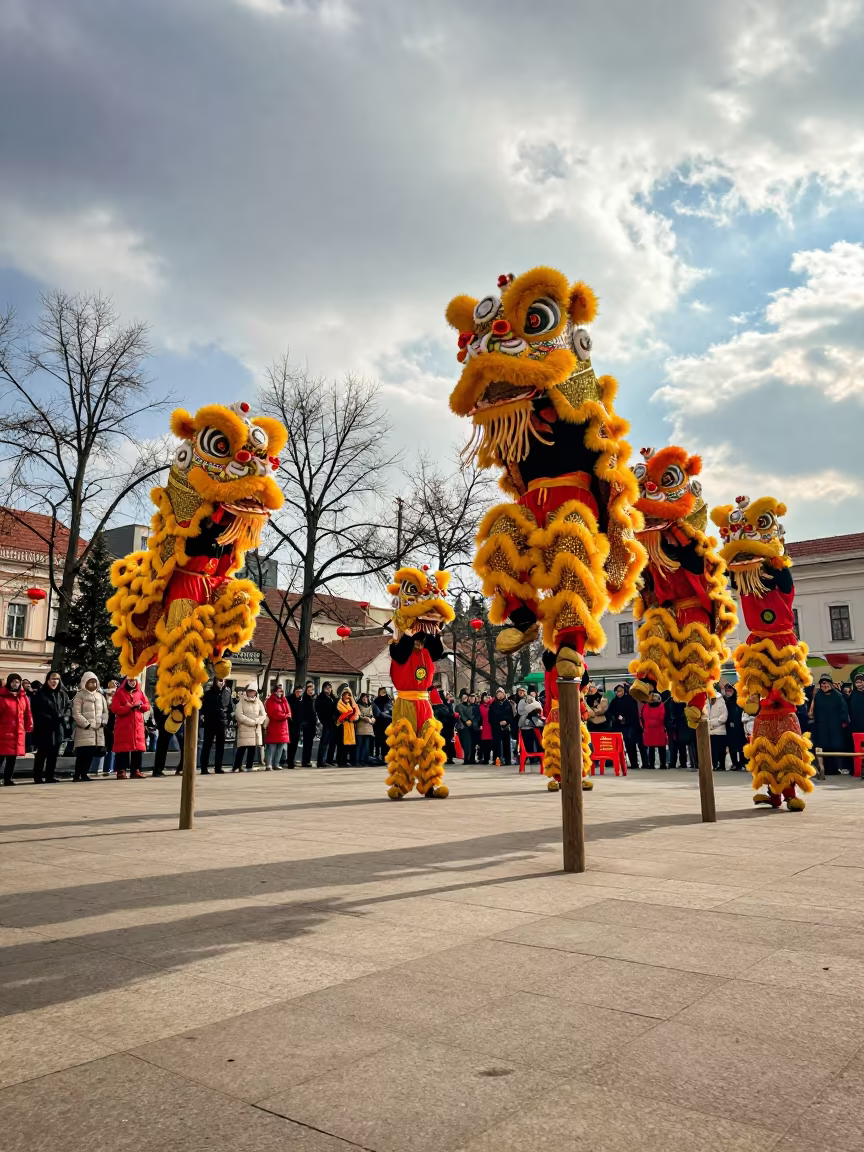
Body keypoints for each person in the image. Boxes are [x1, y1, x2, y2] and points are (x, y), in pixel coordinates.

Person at [30, 673, 69, 784]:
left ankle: (49, 776)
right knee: (42, 752)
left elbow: (68, 707)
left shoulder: (62, 694)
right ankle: (37, 776)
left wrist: (65, 717)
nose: (54, 681)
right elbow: (36, 711)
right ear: (47, 680)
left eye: (57, 679)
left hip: (57, 728)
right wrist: (51, 718)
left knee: (53, 753)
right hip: (44, 728)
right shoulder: (40, 694)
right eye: (52, 679)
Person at [110, 676, 150, 779]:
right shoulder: (119, 693)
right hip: (124, 725)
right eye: (130, 680)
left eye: (134, 681)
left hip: (137, 725)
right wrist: (129, 707)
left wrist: (140, 707)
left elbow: (147, 706)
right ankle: (121, 770)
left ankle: (135, 770)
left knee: (138, 749)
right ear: (126, 681)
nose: (132, 683)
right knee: (122, 749)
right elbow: (115, 708)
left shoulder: (140, 693)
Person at [810, 674, 849, 775]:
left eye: (826, 683)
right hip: (822, 726)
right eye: (823, 684)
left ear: (831, 684)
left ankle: (836, 769)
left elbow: (844, 710)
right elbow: (814, 711)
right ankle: (824, 769)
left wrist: (843, 722)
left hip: (835, 726)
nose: (825, 685)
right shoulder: (818, 696)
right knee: (823, 746)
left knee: (835, 746)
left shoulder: (838, 696)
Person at [71, 672, 106, 781]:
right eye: (90, 682)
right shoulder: (79, 695)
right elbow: (76, 713)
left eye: (94, 682)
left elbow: (105, 711)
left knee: (91, 752)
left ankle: (84, 773)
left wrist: (103, 722)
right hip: (84, 730)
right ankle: (78, 774)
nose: (92, 685)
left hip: (97, 730)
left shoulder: (100, 696)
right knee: (82, 753)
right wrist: (86, 724)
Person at [0, 673, 33, 785]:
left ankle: (8, 779)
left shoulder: (23, 697)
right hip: (3, 732)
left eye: (18, 682)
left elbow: (27, 713)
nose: (15, 684)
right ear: (9, 682)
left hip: (17, 732)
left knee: (12, 758)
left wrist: (29, 725)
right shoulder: (2, 697)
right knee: (1, 757)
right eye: (13, 681)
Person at [607, 683, 643, 772]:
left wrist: (625, 719)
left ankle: (634, 763)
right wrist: (616, 718)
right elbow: (610, 712)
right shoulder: (614, 701)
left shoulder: (630, 700)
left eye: (619, 691)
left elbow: (634, 713)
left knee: (630, 745)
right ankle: (620, 762)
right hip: (618, 726)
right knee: (618, 746)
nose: (618, 693)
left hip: (629, 726)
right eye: (617, 692)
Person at [200, 677, 232, 773]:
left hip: (221, 721)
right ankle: (204, 767)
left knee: (220, 745)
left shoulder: (227, 692)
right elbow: (206, 707)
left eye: (223, 681)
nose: (221, 683)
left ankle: (218, 767)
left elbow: (229, 706)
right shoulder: (210, 693)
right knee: (207, 745)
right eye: (219, 681)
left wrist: (229, 717)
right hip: (210, 721)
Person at [233, 683, 267, 771]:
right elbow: (239, 715)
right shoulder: (241, 701)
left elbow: (263, 714)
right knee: (242, 748)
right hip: (245, 728)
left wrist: (258, 721)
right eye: (249, 691)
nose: (251, 693)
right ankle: (237, 766)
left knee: (252, 748)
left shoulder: (259, 702)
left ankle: (249, 766)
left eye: (253, 691)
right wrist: (251, 722)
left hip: (255, 728)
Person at [264, 684, 291, 770]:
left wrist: (286, 715)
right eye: (279, 691)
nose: (281, 693)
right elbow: (274, 714)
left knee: (280, 747)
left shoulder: (284, 700)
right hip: (273, 726)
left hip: (283, 728)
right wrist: (285, 716)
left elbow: (288, 711)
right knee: (271, 747)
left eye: (281, 691)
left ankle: (276, 763)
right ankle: (269, 764)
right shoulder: (270, 701)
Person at [152, 704, 183, 777]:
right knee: (163, 744)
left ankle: (181, 767)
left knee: (184, 743)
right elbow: (158, 707)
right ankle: (158, 769)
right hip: (166, 715)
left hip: (179, 715)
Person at [641, 690, 668, 768]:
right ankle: (652, 764)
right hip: (652, 729)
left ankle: (663, 764)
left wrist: (652, 721)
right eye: (654, 697)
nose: (655, 698)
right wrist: (654, 721)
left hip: (658, 728)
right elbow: (644, 716)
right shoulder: (646, 706)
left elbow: (662, 716)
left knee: (661, 748)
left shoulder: (662, 705)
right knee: (651, 748)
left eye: (657, 697)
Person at [723, 683, 746, 770]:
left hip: (740, 727)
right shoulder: (729, 702)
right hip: (730, 727)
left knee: (741, 745)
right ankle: (735, 763)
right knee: (732, 746)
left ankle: (742, 762)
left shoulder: (741, 702)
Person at [315, 682, 338, 767]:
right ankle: (321, 761)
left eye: (329, 687)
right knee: (324, 742)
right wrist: (324, 720)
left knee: (332, 742)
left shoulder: (333, 697)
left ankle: (330, 760)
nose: (328, 689)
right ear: (323, 688)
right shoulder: (320, 698)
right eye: (326, 687)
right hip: (325, 722)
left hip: (333, 723)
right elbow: (319, 710)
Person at [487, 688, 512, 765]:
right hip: (496, 726)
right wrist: (498, 722)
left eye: (501, 694)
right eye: (498, 694)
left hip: (506, 726)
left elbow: (511, 715)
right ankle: (497, 759)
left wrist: (507, 721)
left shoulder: (508, 704)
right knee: (496, 743)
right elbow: (490, 717)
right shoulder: (493, 705)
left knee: (506, 743)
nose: (500, 696)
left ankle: (507, 759)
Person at [296, 682, 318, 767]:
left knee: (310, 743)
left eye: (312, 688)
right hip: (306, 723)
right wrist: (304, 721)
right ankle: (305, 761)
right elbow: (302, 710)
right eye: (309, 688)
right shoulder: (304, 698)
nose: (311, 690)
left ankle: (307, 760)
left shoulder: (314, 698)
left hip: (313, 723)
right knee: (307, 742)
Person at [336, 687, 360, 766]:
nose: (347, 697)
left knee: (352, 745)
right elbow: (339, 716)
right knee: (342, 745)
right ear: (342, 696)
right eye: (345, 695)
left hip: (351, 726)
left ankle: (352, 761)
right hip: (342, 726)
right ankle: (342, 762)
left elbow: (357, 713)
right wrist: (347, 716)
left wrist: (354, 717)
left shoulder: (352, 704)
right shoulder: (339, 704)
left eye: (349, 695)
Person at [517, 689, 544, 756]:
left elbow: (538, 707)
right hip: (525, 725)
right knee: (528, 742)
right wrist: (531, 708)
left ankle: (539, 757)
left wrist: (529, 708)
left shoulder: (535, 700)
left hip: (536, 724)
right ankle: (530, 758)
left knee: (539, 742)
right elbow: (520, 711)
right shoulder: (521, 701)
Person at [707, 690, 729, 772]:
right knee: (712, 750)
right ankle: (714, 765)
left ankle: (721, 765)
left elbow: (724, 715)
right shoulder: (706, 700)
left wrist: (714, 723)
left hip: (719, 729)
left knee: (720, 749)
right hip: (709, 730)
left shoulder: (719, 699)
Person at [432, 691, 456, 763]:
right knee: (444, 744)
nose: (449, 695)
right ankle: (445, 757)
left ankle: (449, 757)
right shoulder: (439, 706)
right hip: (444, 728)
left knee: (448, 743)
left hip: (448, 728)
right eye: (447, 694)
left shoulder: (447, 705)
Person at [102, 679, 118, 775]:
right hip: (106, 724)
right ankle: (106, 767)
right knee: (107, 746)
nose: (111, 687)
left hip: (114, 724)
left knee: (113, 747)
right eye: (110, 685)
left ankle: (111, 767)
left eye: (113, 685)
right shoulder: (104, 696)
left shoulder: (117, 696)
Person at [455, 692, 477, 763]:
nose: (465, 698)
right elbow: (461, 714)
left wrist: (470, 720)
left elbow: (473, 714)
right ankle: (466, 758)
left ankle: (468, 758)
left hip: (470, 726)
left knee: (469, 743)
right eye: (463, 697)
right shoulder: (459, 706)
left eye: (466, 697)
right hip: (462, 726)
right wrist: (466, 720)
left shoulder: (470, 706)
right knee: (464, 742)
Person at [372, 687, 392, 762]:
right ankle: (382, 756)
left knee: (385, 741)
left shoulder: (388, 701)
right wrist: (391, 717)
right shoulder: (377, 701)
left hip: (386, 724)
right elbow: (378, 713)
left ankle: (384, 756)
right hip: (381, 724)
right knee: (382, 741)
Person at [286, 685, 304, 766]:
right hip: (290, 723)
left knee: (295, 742)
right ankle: (289, 760)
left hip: (298, 724)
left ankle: (292, 759)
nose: (299, 693)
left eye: (300, 691)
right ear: (294, 691)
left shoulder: (301, 700)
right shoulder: (289, 699)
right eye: (297, 691)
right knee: (290, 742)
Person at [355, 692, 375, 765]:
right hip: (360, 728)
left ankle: (364, 760)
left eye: (366, 697)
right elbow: (359, 715)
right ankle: (358, 760)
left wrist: (373, 719)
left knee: (366, 746)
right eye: (363, 698)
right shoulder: (358, 706)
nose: (365, 699)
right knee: (359, 745)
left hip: (368, 729)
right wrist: (366, 718)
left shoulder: (370, 706)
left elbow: (372, 715)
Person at [478, 692, 493, 764]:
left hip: (490, 726)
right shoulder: (480, 706)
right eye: (485, 697)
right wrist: (480, 724)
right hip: (483, 726)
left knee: (490, 743)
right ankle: (484, 759)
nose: (486, 698)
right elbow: (479, 717)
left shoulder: (491, 705)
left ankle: (488, 758)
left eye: (487, 697)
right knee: (484, 744)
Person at [849, 673, 864, 743]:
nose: (859, 684)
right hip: (856, 724)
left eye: (860, 682)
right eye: (857, 682)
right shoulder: (853, 694)